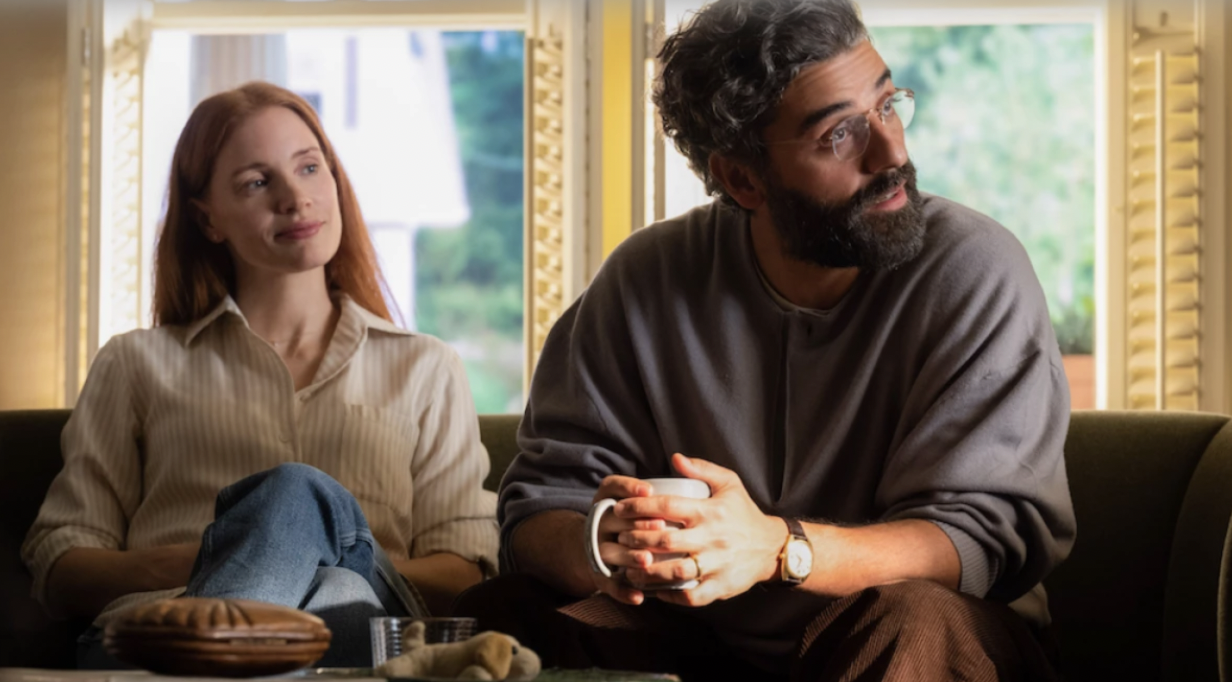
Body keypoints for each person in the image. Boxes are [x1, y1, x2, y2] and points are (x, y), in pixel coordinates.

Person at [455, 1, 1076, 680]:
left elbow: (975, 541)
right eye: (839, 134)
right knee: (505, 613)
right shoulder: (645, 279)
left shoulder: (975, 269)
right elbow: (539, 507)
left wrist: (777, 549)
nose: (892, 153)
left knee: (913, 623)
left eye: (887, 105)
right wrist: (606, 547)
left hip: (926, 634)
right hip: (705, 643)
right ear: (742, 179)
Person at [22, 82, 498, 668]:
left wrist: (302, 542)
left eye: (309, 167)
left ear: (335, 179)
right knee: (323, 560)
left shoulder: (426, 367)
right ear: (208, 218)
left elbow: (464, 575)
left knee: (335, 574)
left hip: (332, 640)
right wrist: (243, 549)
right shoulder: (133, 364)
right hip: (154, 638)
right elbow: (62, 566)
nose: (295, 198)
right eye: (256, 182)